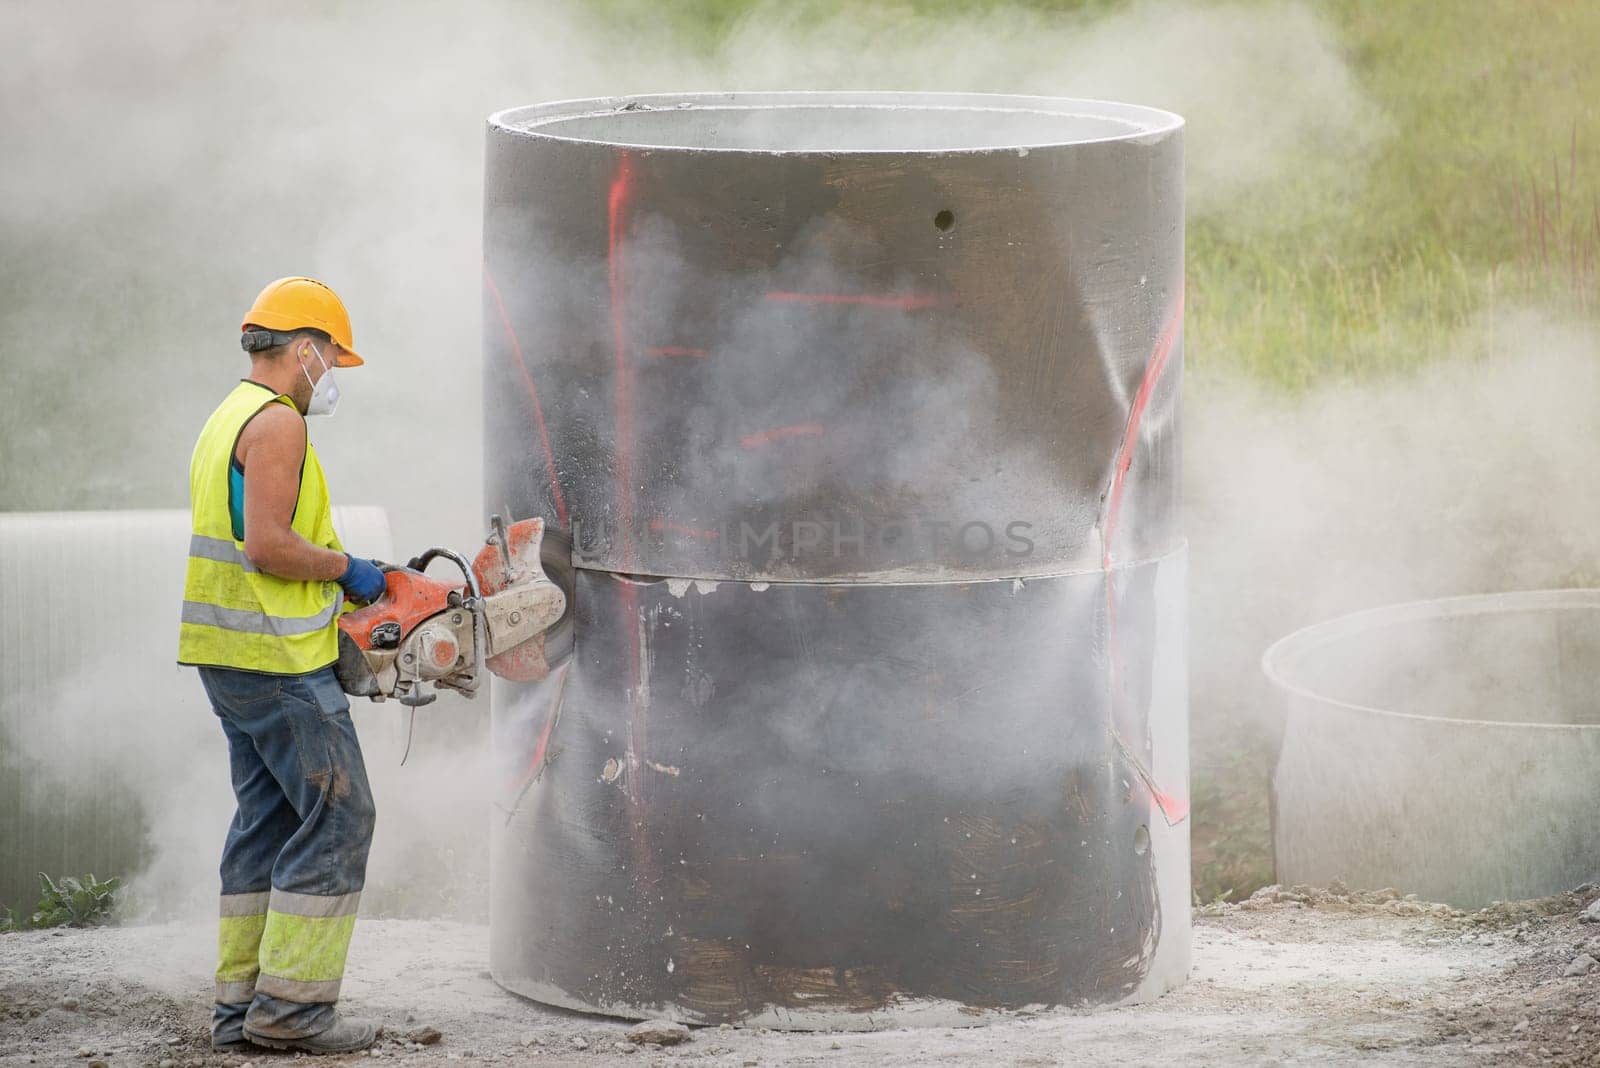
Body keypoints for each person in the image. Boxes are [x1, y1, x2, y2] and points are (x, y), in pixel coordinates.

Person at [176, 277, 389, 1054]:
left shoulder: (225, 415)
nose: (333, 375)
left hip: (229, 653)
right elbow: (268, 546)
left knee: (267, 819)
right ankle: (292, 1016)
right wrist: (349, 569)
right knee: (340, 815)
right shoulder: (278, 425)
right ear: (305, 350)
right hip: (272, 656)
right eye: (332, 358)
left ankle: (239, 1010)